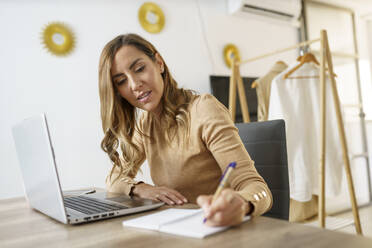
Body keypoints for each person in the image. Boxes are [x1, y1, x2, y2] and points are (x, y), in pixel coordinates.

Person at [98, 33, 272, 227]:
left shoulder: (203, 109)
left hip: (220, 229)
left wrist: (242, 204)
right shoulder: (146, 124)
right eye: (121, 81)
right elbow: (113, 179)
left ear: (159, 63)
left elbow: (257, 188)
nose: (134, 84)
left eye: (139, 69)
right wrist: (140, 189)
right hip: (180, 229)